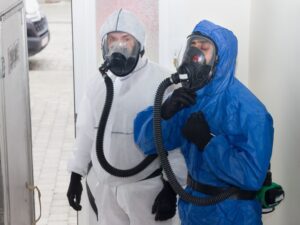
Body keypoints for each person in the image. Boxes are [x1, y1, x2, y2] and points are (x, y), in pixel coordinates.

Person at [134, 20, 274, 225]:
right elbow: (148, 145)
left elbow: (252, 176)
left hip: (235, 215)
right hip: (194, 211)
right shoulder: (189, 99)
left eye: (204, 48)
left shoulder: (251, 112)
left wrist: (208, 142)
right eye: (194, 46)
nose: (195, 55)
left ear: (220, 59)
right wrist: (163, 113)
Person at [67, 9, 186, 225]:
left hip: (147, 190)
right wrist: (76, 173)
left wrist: (172, 187)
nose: (118, 46)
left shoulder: (163, 83)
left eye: (126, 39)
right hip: (105, 188)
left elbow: (176, 143)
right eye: (112, 39)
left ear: (140, 45)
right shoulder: (97, 83)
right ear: (104, 45)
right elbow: (86, 132)